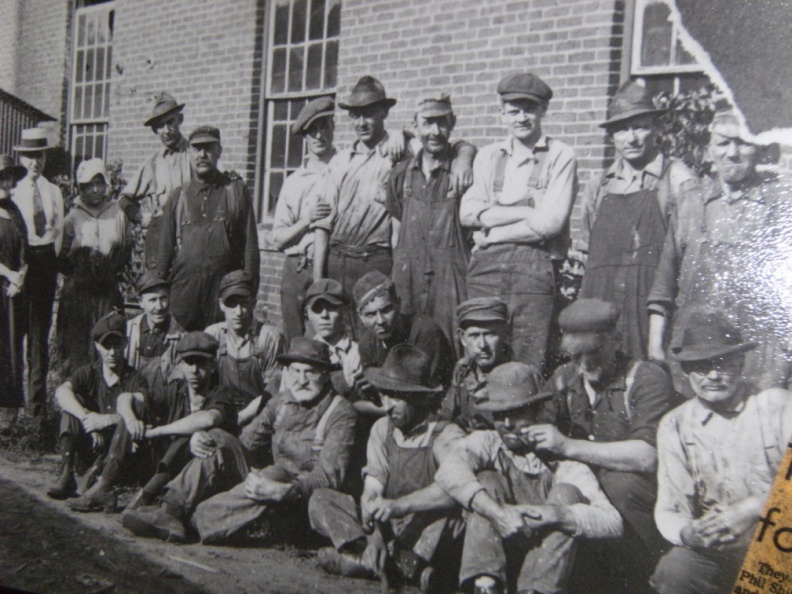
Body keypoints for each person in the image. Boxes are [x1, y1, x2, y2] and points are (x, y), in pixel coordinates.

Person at [122, 338, 357, 545]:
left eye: (310, 372)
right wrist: (205, 442)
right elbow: (243, 443)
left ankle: (196, 520)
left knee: (274, 473)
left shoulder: (341, 412)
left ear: (326, 374)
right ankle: (170, 510)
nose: (301, 380)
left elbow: (328, 477)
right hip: (266, 485)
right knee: (218, 438)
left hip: (297, 502)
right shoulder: (281, 402)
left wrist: (286, 490)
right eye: (295, 371)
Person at [529, 298, 680, 593]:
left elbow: (646, 456)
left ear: (616, 340)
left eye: (594, 353)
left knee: (619, 485)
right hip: (590, 497)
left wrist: (567, 446)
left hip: (643, 502)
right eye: (575, 356)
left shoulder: (646, 378)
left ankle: (635, 580)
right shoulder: (565, 379)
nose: (585, 365)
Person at [435, 362, 623, 594]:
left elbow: (613, 522)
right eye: (499, 415)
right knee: (486, 480)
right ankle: (485, 586)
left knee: (566, 493)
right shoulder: (489, 442)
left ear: (537, 412)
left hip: (546, 568)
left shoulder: (560, 459)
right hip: (501, 561)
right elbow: (448, 470)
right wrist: (497, 512)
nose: (506, 424)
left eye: (516, 413)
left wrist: (558, 515)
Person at [648, 109, 792, 393]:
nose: (733, 153)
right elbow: (664, 285)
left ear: (759, 149)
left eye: (743, 142)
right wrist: (656, 348)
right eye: (723, 143)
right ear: (709, 151)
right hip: (694, 353)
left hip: (758, 357)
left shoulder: (780, 205)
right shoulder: (691, 203)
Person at [651, 311, 792, 594]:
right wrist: (687, 533)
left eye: (723, 364)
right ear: (687, 371)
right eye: (701, 367)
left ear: (740, 363)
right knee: (675, 572)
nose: (713, 376)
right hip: (720, 545)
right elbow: (668, 507)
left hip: (779, 535)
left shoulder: (776, 406)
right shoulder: (675, 425)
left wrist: (752, 509)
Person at [310, 344, 466, 592]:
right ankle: (393, 563)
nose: (388, 405)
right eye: (384, 395)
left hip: (423, 523)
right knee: (321, 499)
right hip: (390, 525)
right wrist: (373, 533)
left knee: (447, 522)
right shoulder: (382, 429)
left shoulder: (445, 435)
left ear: (421, 397)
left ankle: (367, 562)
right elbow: (373, 488)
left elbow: (454, 492)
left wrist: (397, 506)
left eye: (397, 397)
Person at [313, 76, 474, 303]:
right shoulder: (339, 161)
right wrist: (318, 280)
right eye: (356, 115)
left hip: (375, 261)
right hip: (337, 259)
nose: (362, 123)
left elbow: (443, 143)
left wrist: (464, 155)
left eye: (369, 114)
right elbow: (322, 224)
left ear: (384, 113)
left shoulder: (404, 150)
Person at [460, 72, 578, 371]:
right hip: (485, 271)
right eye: (513, 111)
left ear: (543, 111)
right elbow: (468, 213)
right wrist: (528, 212)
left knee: (528, 358)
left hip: (534, 271)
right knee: (483, 352)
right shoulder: (487, 156)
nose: (521, 118)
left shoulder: (560, 155)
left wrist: (493, 232)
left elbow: (550, 224)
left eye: (529, 110)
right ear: (502, 114)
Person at [577, 82, 699, 360]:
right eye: (622, 129)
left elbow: (690, 258)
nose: (631, 138)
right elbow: (587, 251)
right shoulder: (599, 186)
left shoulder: (677, 178)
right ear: (612, 136)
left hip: (651, 312)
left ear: (656, 129)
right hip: (600, 307)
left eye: (640, 126)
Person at [386, 94, 474, 351]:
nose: (435, 131)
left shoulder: (464, 174)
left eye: (442, 123)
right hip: (407, 282)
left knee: (451, 350)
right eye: (427, 123)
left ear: (453, 123)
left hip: (450, 284)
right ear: (415, 126)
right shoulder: (401, 175)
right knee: (406, 350)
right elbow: (395, 234)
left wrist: (465, 154)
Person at [156, 126, 260, 331]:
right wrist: (160, 295)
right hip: (183, 301)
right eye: (196, 148)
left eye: (208, 148)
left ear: (219, 151)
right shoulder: (178, 197)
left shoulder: (235, 192)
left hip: (223, 300)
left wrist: (248, 293)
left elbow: (250, 248)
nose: (202, 154)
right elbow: (164, 254)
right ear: (189, 153)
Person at [121, 331, 239, 511]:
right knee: (135, 409)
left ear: (213, 365)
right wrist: (131, 420)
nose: (194, 370)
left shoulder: (221, 393)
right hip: (171, 467)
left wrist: (156, 431)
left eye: (201, 363)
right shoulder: (176, 390)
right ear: (181, 365)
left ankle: (149, 495)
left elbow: (207, 419)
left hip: (207, 473)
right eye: (189, 363)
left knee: (185, 437)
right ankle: (106, 481)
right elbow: (125, 397)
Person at [47, 313, 148, 502]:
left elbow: (142, 412)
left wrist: (105, 420)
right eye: (106, 346)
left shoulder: (135, 379)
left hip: (117, 455)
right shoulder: (88, 373)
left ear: (125, 344)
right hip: (88, 447)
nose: (111, 353)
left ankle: (100, 482)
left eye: (116, 345)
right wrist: (87, 419)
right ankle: (67, 472)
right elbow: (61, 393)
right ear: (96, 346)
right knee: (71, 404)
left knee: (129, 416)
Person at [55, 158, 132, 377]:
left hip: (107, 290)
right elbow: (61, 256)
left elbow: (126, 248)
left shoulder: (118, 214)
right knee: (78, 349)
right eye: (89, 185)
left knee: (108, 343)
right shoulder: (72, 219)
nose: (95, 190)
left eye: (99, 183)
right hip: (79, 294)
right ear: (81, 188)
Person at [11, 128, 65, 424]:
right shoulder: (13, 192)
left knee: (39, 338)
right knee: (15, 334)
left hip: (45, 265)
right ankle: (11, 406)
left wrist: (51, 265)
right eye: (30, 156)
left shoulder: (53, 191)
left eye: (40, 155)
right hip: (21, 264)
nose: (35, 162)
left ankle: (36, 408)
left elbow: (58, 234)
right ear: (22, 157)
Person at [272, 97, 335, 341]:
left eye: (324, 127)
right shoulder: (294, 182)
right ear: (305, 137)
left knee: (331, 337)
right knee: (294, 337)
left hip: (332, 265)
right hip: (297, 269)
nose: (319, 136)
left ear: (333, 128)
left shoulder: (344, 168)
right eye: (312, 131)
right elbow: (278, 239)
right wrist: (306, 221)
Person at [118, 92, 192, 270]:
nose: (166, 130)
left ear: (180, 119)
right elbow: (124, 200)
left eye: (170, 122)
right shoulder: (152, 163)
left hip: (192, 243)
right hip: (160, 245)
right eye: (160, 125)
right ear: (154, 130)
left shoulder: (195, 155)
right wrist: (142, 218)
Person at [204, 270, 285, 424]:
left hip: (259, 415)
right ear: (221, 304)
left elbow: (274, 390)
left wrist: (242, 417)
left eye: (244, 303)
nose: (238, 312)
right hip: (220, 413)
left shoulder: (268, 337)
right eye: (232, 304)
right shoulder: (213, 335)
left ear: (253, 303)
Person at [354, 270, 454, 394]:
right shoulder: (367, 343)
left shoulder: (425, 332)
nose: (380, 321)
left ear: (398, 304)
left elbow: (431, 392)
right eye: (371, 314)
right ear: (361, 317)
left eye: (386, 310)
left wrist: (377, 379)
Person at [441, 297, 513, 430]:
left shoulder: (519, 374)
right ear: (463, 338)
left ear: (505, 334)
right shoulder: (463, 370)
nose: (482, 345)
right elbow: (447, 415)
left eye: (490, 334)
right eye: (474, 336)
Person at [0, 156, 29, 432]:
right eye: (1, 178)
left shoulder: (16, 212)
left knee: (11, 347)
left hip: (13, 292)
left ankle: (8, 414)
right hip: (1, 284)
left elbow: (25, 250)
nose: (6, 183)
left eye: (9, 178)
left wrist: (20, 277)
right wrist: (8, 275)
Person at [124, 272, 183, 402]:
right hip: (132, 403)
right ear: (141, 302)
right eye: (152, 300)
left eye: (163, 298)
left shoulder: (181, 338)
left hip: (166, 408)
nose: (159, 307)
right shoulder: (127, 331)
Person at [304, 278, 364, 402]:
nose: (324, 315)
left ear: (344, 311)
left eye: (331, 308)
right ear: (309, 313)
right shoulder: (303, 351)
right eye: (317, 309)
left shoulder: (356, 354)